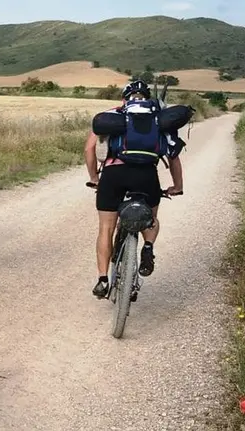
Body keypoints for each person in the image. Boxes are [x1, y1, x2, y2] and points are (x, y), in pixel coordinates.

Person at [84, 79, 184, 299]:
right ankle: (147, 247)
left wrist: (94, 178)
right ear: (147, 98)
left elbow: (89, 149)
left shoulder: (112, 116)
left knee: (106, 228)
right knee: (151, 219)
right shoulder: (158, 118)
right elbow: (173, 156)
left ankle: (103, 279)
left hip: (113, 175)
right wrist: (177, 186)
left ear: (124, 98)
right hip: (146, 176)